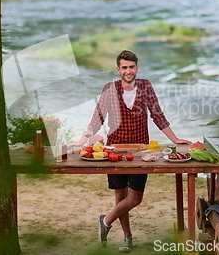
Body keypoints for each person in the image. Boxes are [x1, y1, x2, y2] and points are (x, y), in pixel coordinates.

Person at [72, 50, 191, 252]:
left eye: (132, 67)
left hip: (140, 151)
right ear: (118, 69)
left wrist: (174, 139)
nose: (128, 71)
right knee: (120, 196)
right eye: (124, 67)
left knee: (135, 198)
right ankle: (127, 237)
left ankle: (106, 220)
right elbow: (98, 116)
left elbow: (157, 114)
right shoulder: (110, 89)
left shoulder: (145, 86)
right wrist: (83, 139)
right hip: (114, 151)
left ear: (137, 68)